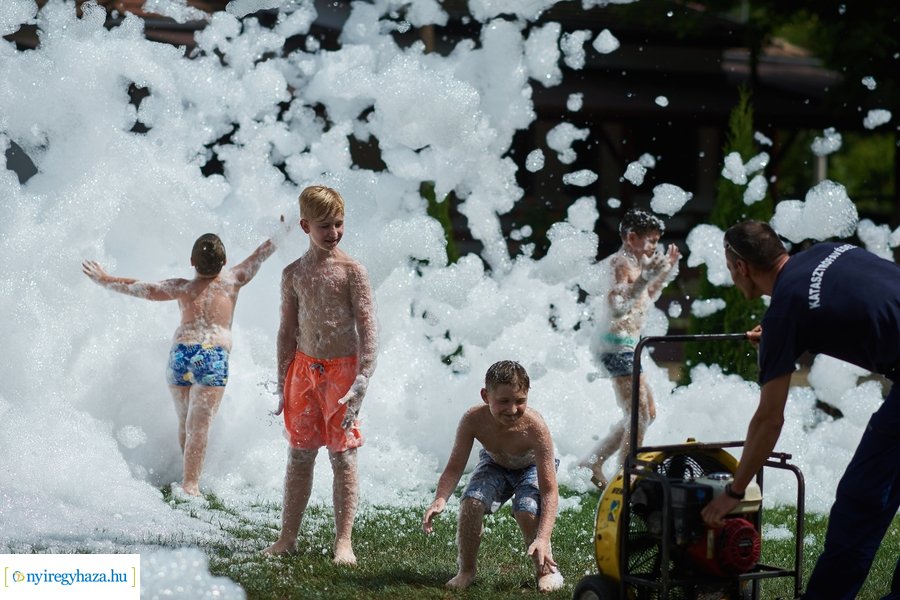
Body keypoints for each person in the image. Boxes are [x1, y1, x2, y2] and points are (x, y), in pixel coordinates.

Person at [700, 220, 900, 600]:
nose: (730, 276)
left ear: (741, 266)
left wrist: (735, 489)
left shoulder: (785, 312)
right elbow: (848, 302)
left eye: (729, 268)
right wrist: (780, 336)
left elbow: (769, 419)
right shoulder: (825, 251)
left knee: (863, 498)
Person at [82, 231, 279, 496]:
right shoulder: (232, 281)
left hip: (181, 355)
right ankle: (190, 484)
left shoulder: (182, 287)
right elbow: (261, 255)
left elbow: (142, 288)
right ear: (224, 262)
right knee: (199, 426)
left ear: (191, 261)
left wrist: (104, 279)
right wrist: (284, 230)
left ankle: (188, 476)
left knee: (185, 421)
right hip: (211, 355)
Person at [264, 185, 377, 566]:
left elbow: (368, 327)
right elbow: (286, 331)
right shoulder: (293, 274)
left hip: (342, 372)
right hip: (303, 370)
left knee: (343, 456)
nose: (334, 233)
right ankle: (287, 537)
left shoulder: (352, 271)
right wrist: (281, 384)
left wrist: (364, 377)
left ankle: (343, 541)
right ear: (304, 225)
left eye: (339, 224)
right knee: (299, 454)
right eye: (325, 226)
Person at [422, 360, 564, 593]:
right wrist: (440, 498)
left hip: (530, 467)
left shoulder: (535, 427)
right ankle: (466, 570)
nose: (512, 409)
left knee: (526, 509)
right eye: (503, 401)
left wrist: (543, 536)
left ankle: (547, 571)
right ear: (485, 396)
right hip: (496, 462)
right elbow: (455, 467)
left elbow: (549, 490)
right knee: (471, 502)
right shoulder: (473, 420)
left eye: (520, 401)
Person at [581, 208, 680, 489]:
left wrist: (663, 271)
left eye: (657, 241)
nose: (654, 247)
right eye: (650, 241)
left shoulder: (636, 264)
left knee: (646, 410)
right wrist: (646, 277)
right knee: (639, 414)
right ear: (631, 237)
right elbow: (619, 304)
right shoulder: (621, 264)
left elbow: (646, 296)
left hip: (627, 346)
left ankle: (593, 461)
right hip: (615, 347)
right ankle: (626, 477)